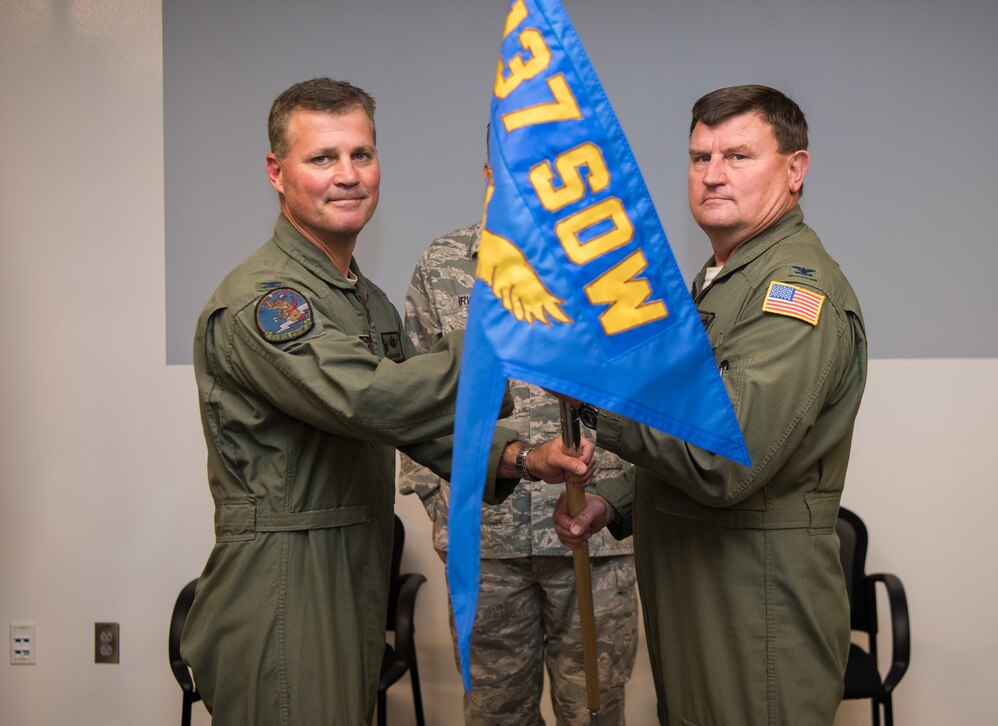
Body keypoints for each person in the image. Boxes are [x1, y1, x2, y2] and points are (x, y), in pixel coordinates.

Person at [181, 77, 595, 726]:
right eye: (322, 158)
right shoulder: (267, 301)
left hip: (354, 570)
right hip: (286, 579)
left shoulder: (363, 301)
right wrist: (501, 330)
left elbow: (415, 423)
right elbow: (369, 399)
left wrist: (521, 457)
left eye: (361, 155)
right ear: (276, 172)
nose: (347, 175)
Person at [554, 85, 868, 725]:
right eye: (701, 157)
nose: (713, 175)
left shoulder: (792, 292)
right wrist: (615, 501)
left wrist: (599, 396)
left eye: (738, 156)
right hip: (701, 597)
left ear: (795, 170)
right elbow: (690, 421)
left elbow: (725, 453)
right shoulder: (721, 281)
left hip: (755, 611)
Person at [399, 191, 639, 725]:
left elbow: (651, 391)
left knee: (594, 713)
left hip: (593, 535)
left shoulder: (613, 260)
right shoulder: (443, 263)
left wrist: (624, 501)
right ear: (489, 169)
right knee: (496, 715)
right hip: (486, 545)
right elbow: (416, 398)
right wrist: (442, 510)